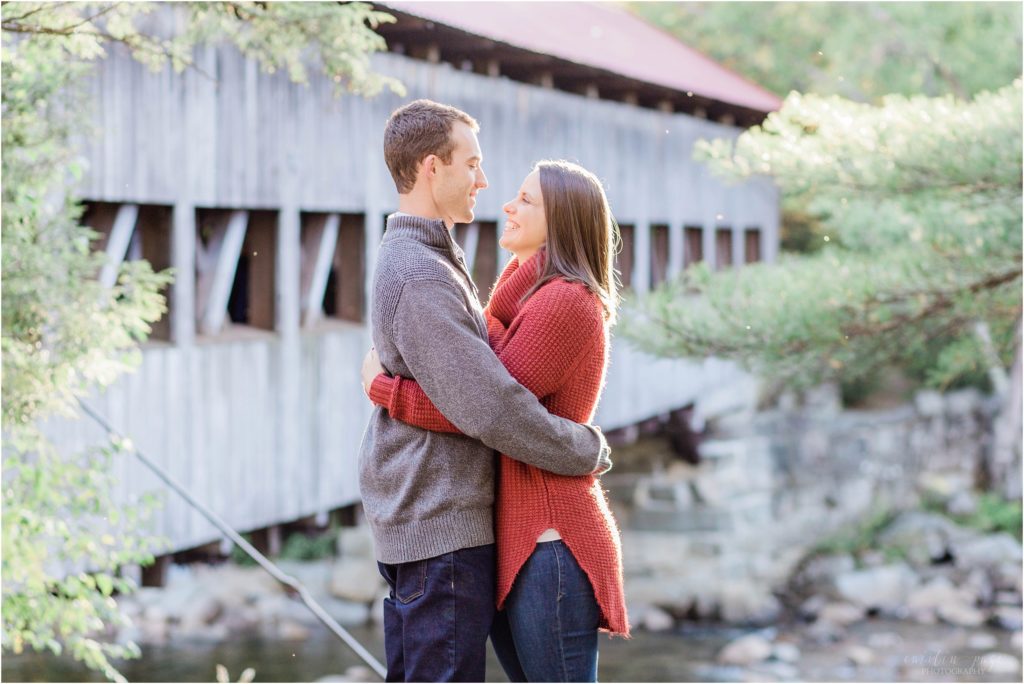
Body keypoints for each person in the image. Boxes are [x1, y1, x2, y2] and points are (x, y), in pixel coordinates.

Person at [358, 100, 612, 683]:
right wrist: (582, 449)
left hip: (465, 520)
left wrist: (383, 388)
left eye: (525, 198)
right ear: (431, 168)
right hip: (440, 519)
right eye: (472, 163)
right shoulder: (424, 272)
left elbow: (480, 395)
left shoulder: (444, 264)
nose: (486, 182)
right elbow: (489, 406)